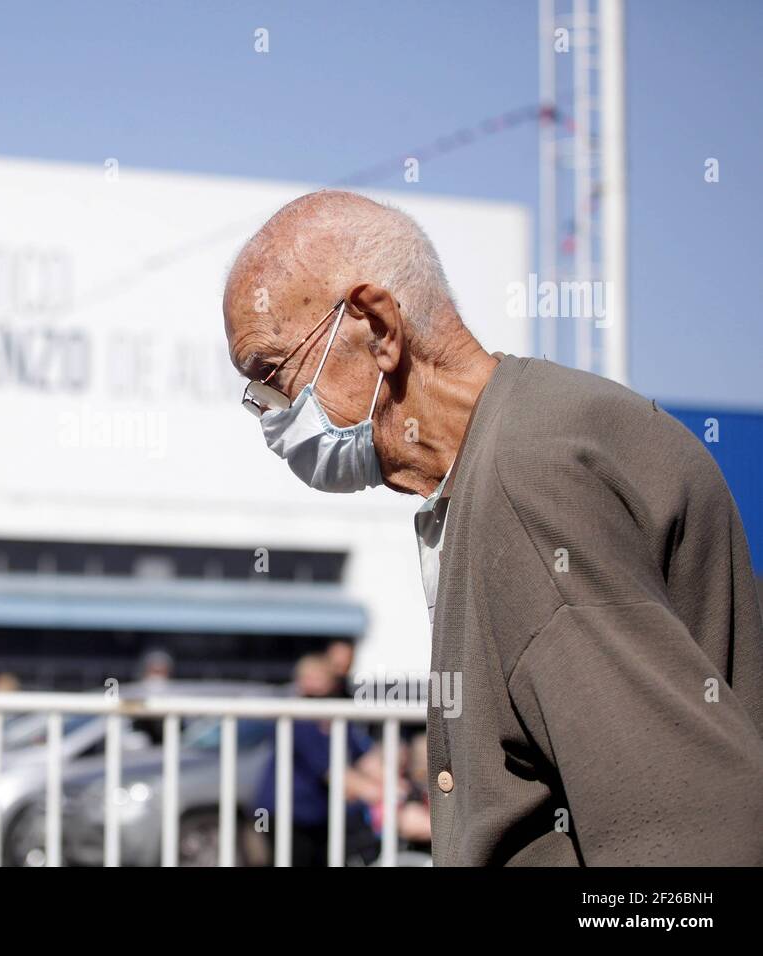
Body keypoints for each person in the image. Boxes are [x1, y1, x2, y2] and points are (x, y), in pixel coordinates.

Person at [224, 189, 763, 865]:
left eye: (273, 377)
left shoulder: (525, 480)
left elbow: (685, 846)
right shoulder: (525, 441)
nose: (272, 419)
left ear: (379, 328)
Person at [254, 655, 379, 866]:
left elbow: (365, 758)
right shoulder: (298, 718)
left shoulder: (335, 717)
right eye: (307, 677)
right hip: (276, 814)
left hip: (314, 815)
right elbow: (332, 771)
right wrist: (378, 792)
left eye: (318, 677)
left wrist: (390, 779)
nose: (312, 683)